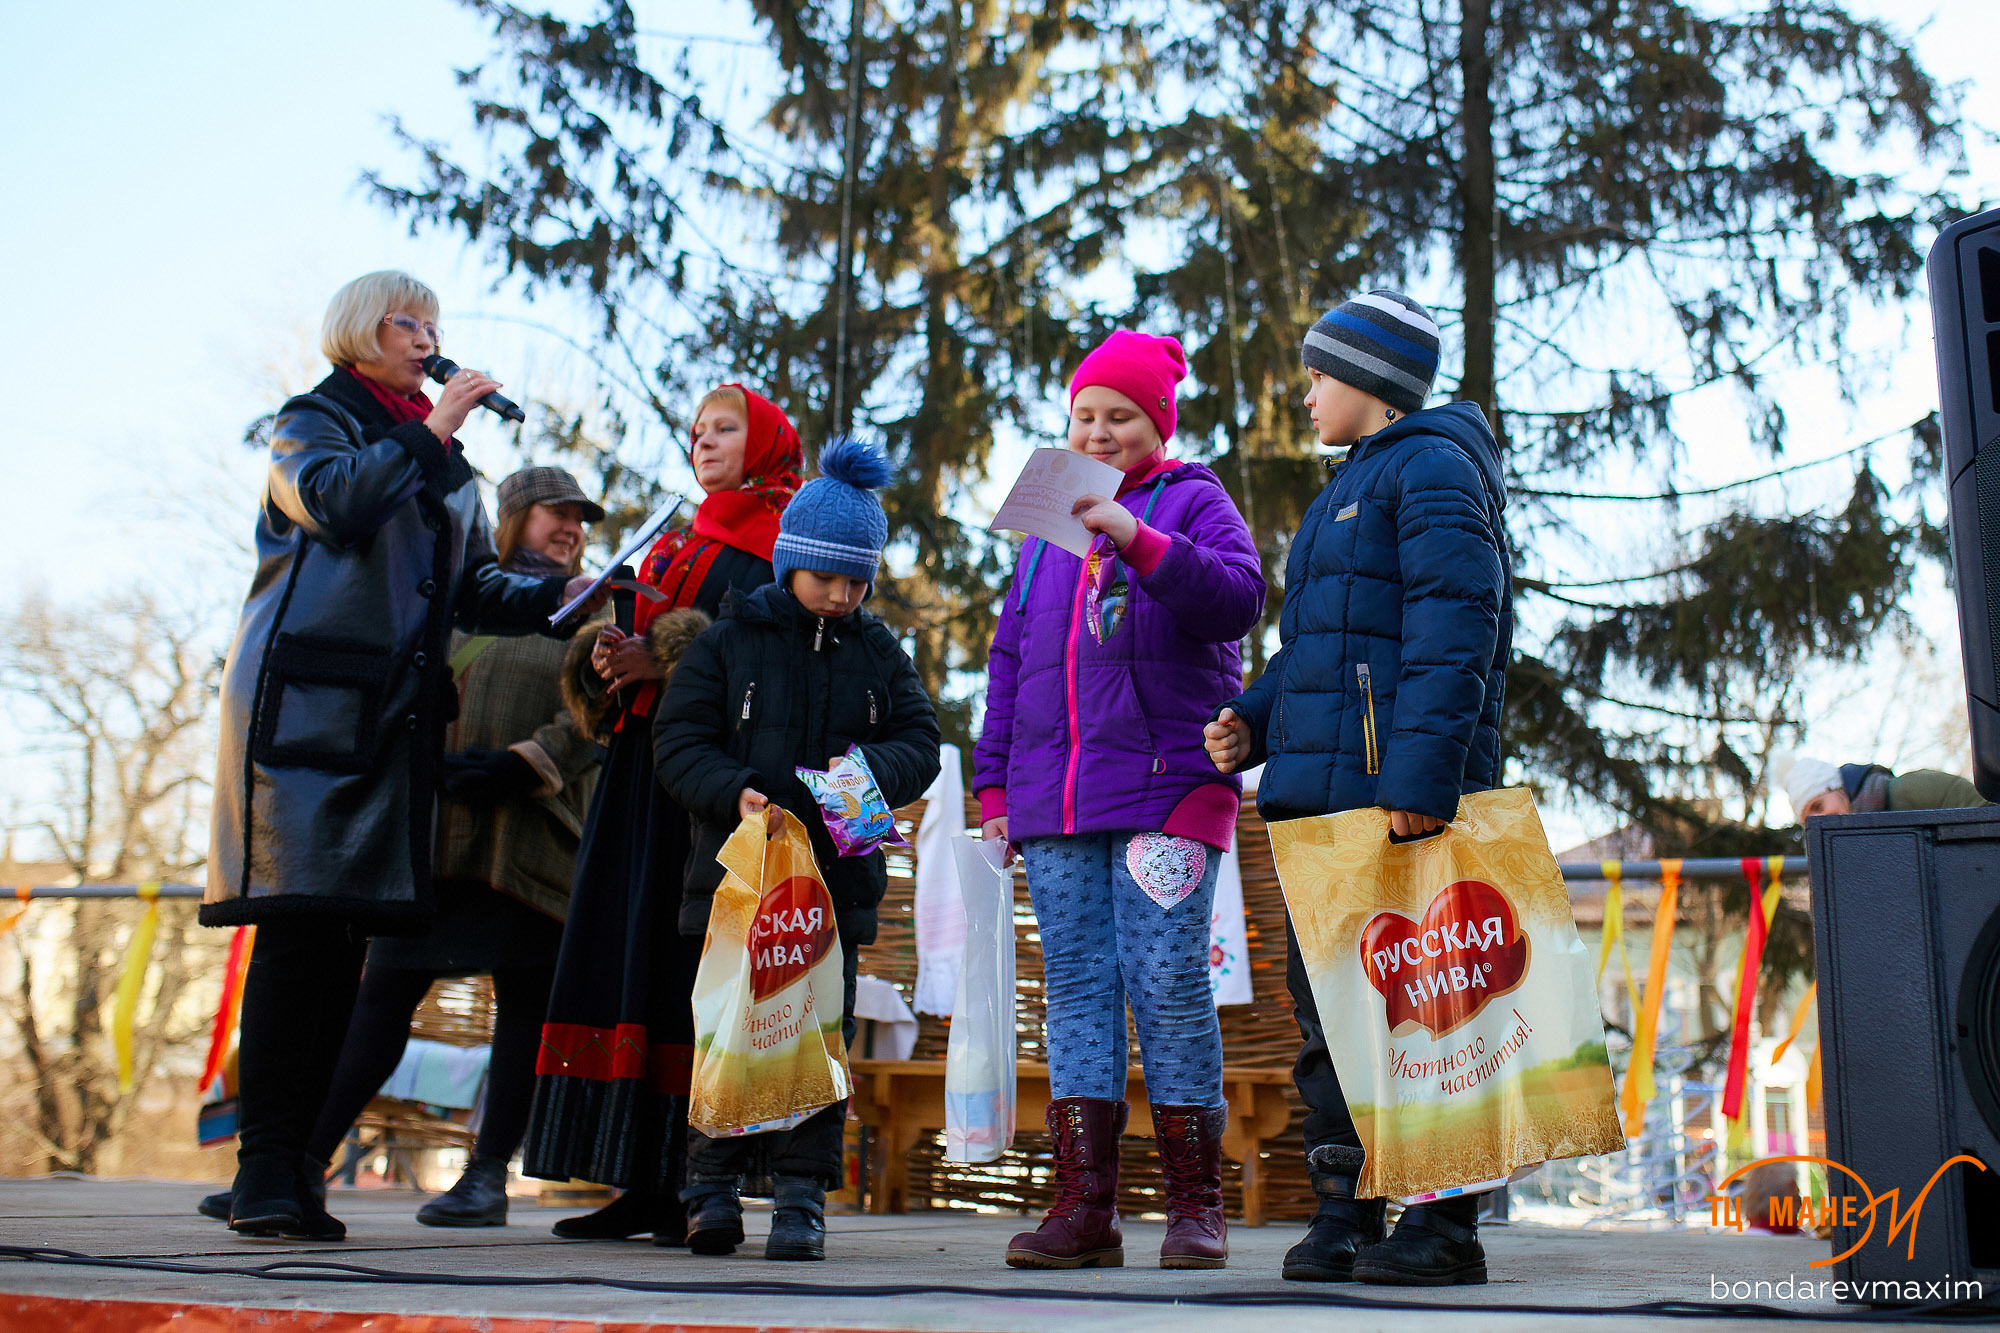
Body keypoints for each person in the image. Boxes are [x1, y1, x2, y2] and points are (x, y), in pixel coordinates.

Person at [202, 271, 606, 1242]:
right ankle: (265, 1168)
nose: (427, 339)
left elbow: (473, 589)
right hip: (306, 718)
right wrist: (435, 428)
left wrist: (563, 599)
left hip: (388, 724)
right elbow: (334, 504)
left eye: (434, 324)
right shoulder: (313, 424)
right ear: (359, 331)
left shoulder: (446, 469)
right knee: (297, 931)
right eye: (407, 322)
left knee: (347, 945)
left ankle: (297, 1175)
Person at [1204, 290, 1510, 1287]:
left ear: (1372, 383)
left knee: (1424, 1008)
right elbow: (1318, 651)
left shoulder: (1432, 466)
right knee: (1329, 1013)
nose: (1305, 394)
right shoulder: (1347, 487)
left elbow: (1456, 623)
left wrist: (1421, 779)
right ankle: (1344, 1205)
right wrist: (1252, 717)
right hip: (1326, 801)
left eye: (1318, 375)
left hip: (1396, 799)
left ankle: (1444, 1222)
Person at [971, 330, 1264, 1270]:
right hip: (1055, 801)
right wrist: (993, 782)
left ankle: (1194, 1205)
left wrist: (1137, 540)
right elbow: (1010, 661)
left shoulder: (1194, 498)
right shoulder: (1045, 528)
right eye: (1084, 416)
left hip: (1166, 790)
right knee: (1076, 988)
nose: (1098, 432)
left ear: (1158, 424)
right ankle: (1084, 1205)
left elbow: (1237, 599)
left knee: (1168, 980)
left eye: (1121, 416)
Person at [523, 385, 803, 1246]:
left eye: (724, 428)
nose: (703, 442)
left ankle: (699, 1183)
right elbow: (647, 635)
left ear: (765, 440)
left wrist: (670, 659)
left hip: (711, 784)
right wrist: (608, 657)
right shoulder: (679, 538)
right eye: (695, 430)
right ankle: (640, 1179)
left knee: (693, 966)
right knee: (633, 961)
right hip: (639, 775)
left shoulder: (783, 539)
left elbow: (768, 657)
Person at [654, 435, 943, 1262]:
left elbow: (920, 739)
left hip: (833, 893)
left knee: (819, 1038)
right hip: (738, 887)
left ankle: (801, 1199)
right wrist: (735, 790)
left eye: (858, 581)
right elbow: (678, 741)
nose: (842, 595)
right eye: (826, 577)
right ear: (789, 564)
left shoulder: (878, 650)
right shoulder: (728, 640)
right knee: (727, 1032)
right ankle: (710, 1191)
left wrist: (868, 770)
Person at [1782, 754, 1987, 819]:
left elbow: (1987, 815)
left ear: (1836, 788)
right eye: (1810, 822)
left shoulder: (1912, 789)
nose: (1820, 819)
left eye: (1818, 806)